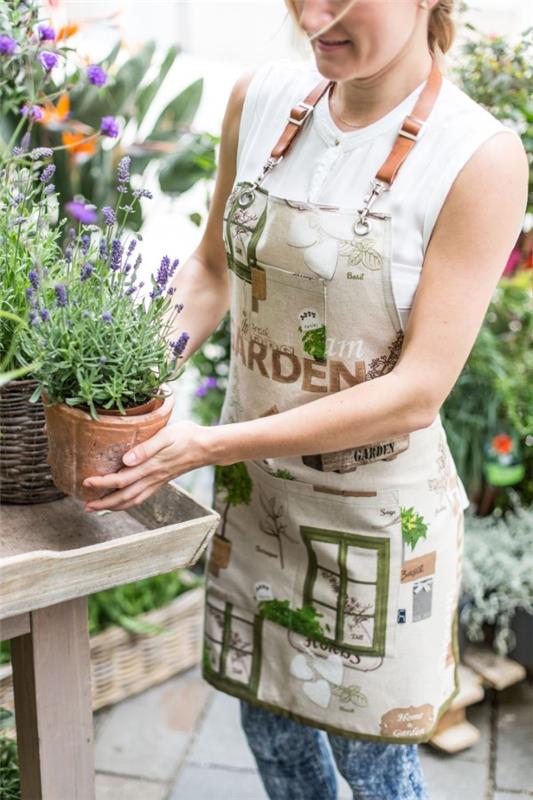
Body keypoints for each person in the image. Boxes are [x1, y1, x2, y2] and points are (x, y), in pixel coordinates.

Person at [82, 1, 528, 797]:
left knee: (372, 759)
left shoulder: (477, 156)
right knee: (267, 721)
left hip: (376, 524)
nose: (312, 15)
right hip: (259, 502)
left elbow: (416, 393)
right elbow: (211, 271)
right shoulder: (260, 100)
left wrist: (205, 447)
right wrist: (126, 386)